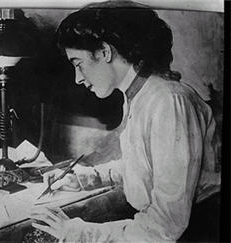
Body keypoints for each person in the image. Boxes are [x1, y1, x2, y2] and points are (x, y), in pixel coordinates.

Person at [31, 4, 221, 242]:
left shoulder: (169, 101)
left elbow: (165, 228)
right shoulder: (139, 95)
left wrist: (78, 232)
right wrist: (88, 177)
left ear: (104, 52)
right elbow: (148, 166)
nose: (78, 78)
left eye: (78, 63)